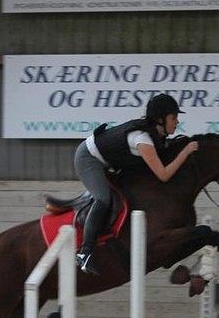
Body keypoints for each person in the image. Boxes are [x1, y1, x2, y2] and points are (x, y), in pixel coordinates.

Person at [73, 93, 199, 275]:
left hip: (109, 161)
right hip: (89, 159)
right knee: (102, 199)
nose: (177, 122)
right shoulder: (143, 139)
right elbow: (163, 175)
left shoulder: (156, 134)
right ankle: (84, 253)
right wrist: (185, 152)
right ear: (160, 119)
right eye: (174, 118)